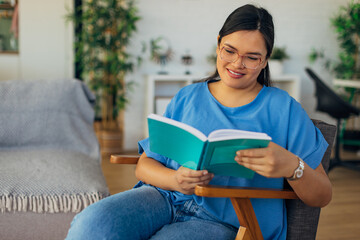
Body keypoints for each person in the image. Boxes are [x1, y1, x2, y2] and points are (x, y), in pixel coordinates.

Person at [66, 4, 332, 240]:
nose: (237, 64)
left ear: (264, 61)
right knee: (90, 225)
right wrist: (175, 179)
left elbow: (321, 196)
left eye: (252, 57)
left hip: (224, 220)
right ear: (218, 44)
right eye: (229, 50)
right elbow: (145, 166)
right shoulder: (187, 96)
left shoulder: (283, 108)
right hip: (163, 197)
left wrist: (291, 166)